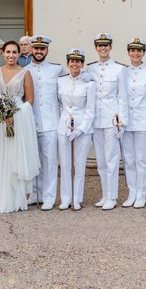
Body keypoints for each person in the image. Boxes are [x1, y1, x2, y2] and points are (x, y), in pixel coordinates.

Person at [0, 41, 40, 213]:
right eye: (8, 52)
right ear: (2, 53)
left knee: (13, 157)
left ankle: (16, 198)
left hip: (18, 119)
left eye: (15, 52)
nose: (11, 55)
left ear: (19, 54)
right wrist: (1, 112)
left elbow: (29, 99)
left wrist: (16, 115)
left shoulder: (25, 73)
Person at [86, 33, 128, 210]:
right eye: (99, 45)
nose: (103, 48)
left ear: (110, 47)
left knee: (112, 159)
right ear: (96, 48)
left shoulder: (119, 69)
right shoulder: (89, 69)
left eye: (106, 45)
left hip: (112, 119)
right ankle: (105, 194)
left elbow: (123, 97)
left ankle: (112, 196)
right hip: (96, 120)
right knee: (101, 161)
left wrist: (121, 122)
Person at [121, 38, 146, 209]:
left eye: (139, 50)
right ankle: (132, 193)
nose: (135, 53)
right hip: (126, 122)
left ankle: (141, 195)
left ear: (143, 52)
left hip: (144, 122)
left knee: (142, 160)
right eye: (132, 50)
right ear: (128, 52)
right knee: (129, 160)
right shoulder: (122, 72)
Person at [26, 35, 62, 210]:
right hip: (31, 122)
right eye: (36, 48)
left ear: (47, 50)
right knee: (34, 160)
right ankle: (35, 193)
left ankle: (48, 196)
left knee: (49, 161)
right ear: (31, 49)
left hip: (51, 122)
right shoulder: (24, 70)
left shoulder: (57, 70)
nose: (39, 52)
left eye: (42, 49)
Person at [57, 49, 96, 210]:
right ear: (68, 64)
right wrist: (64, 122)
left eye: (78, 61)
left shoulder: (89, 83)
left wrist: (81, 129)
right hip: (63, 127)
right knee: (65, 164)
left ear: (82, 64)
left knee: (79, 165)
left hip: (82, 128)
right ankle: (65, 198)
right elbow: (59, 103)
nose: (75, 64)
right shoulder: (61, 81)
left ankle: (77, 198)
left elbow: (90, 109)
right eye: (72, 61)